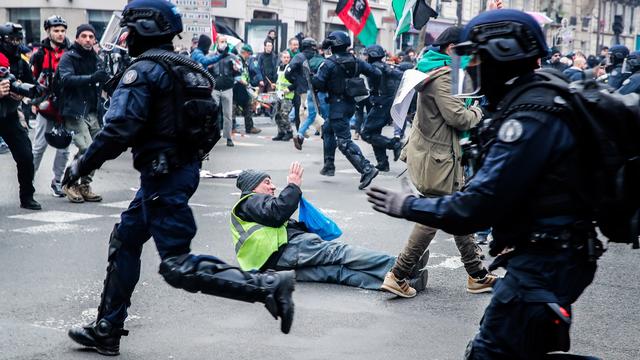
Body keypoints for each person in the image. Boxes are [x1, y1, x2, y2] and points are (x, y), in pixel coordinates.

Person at [367, 9, 603, 358]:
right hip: (549, 256)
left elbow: (476, 207)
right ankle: (474, 273)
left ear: (501, 57)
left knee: (489, 353)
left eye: (476, 58)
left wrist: (406, 205)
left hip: (545, 263)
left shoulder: (526, 118)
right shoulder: (536, 99)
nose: (470, 68)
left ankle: (432, 272)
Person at [66, 1, 295, 356]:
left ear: (144, 30)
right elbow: (210, 129)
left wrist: (81, 165)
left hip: (163, 176)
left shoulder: (144, 71)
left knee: (177, 264)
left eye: (129, 30)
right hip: (177, 171)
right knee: (126, 239)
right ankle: (107, 328)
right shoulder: (189, 69)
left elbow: (118, 129)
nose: (124, 39)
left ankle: (265, 286)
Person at [376, 27, 494, 298]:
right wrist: (480, 110)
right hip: (439, 160)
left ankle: (476, 275)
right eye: (465, 50)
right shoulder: (442, 77)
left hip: (438, 156)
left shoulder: (438, 70)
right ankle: (398, 274)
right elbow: (459, 118)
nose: (468, 56)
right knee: (432, 217)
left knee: (456, 214)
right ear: (452, 49)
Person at [231, 163, 428, 290]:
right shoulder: (250, 201)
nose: (272, 187)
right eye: (267, 182)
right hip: (286, 251)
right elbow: (277, 213)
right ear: (253, 187)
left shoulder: (250, 208)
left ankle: (407, 284)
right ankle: (403, 267)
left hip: (273, 265)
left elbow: (275, 221)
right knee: (341, 252)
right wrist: (293, 186)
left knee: (336, 273)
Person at [312, 31, 381, 190]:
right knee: (328, 129)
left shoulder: (328, 63)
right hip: (350, 103)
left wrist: (313, 77)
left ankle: (366, 168)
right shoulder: (356, 61)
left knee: (343, 141)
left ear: (333, 45)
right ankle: (329, 165)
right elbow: (376, 73)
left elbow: (319, 84)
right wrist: (374, 89)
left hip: (337, 105)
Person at [57, 23, 106, 203]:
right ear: (77, 38)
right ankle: (69, 183)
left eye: (91, 36)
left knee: (99, 149)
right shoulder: (68, 57)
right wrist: (91, 78)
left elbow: (103, 82)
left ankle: (84, 184)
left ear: (94, 40)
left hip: (93, 111)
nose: (87, 39)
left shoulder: (97, 58)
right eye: (84, 36)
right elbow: (66, 79)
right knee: (87, 148)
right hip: (74, 110)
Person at [0, 23, 41, 210]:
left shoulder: (20, 61)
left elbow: (33, 88)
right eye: (11, 40)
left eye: (18, 40)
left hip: (9, 114)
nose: (15, 44)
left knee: (25, 155)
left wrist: (21, 93)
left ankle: (27, 196)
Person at [30, 15, 71, 198]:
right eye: (56, 30)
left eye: (62, 30)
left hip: (66, 107)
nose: (60, 34)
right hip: (46, 106)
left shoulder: (71, 52)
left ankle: (58, 181)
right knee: (39, 147)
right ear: (48, 31)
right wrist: (35, 101)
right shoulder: (39, 54)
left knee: (64, 148)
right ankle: (28, 178)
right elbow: (33, 79)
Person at [360, 44, 403, 172]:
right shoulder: (384, 66)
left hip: (381, 103)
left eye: (367, 54)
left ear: (372, 55)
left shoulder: (375, 67)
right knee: (375, 133)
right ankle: (382, 162)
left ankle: (394, 145)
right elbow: (398, 75)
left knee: (366, 133)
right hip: (384, 102)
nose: (365, 57)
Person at [285, 37, 316, 149]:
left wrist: (294, 82)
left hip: (303, 90)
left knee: (308, 115)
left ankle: (300, 135)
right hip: (314, 89)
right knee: (308, 114)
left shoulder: (299, 57)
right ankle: (300, 135)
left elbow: (287, 73)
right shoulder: (315, 56)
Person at [209, 34, 241, 147]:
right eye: (222, 41)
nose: (224, 44)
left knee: (228, 115)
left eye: (225, 41)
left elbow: (239, 71)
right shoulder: (211, 56)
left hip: (227, 88)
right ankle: (211, 136)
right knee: (212, 114)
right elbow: (204, 70)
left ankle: (228, 137)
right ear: (217, 43)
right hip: (214, 89)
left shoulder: (232, 56)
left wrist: (237, 70)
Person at [234, 44, 262, 135]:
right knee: (233, 107)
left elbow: (245, 74)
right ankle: (232, 128)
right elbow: (237, 75)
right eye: (249, 54)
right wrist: (245, 83)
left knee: (248, 105)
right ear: (245, 53)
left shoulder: (244, 61)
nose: (249, 56)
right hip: (236, 86)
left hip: (244, 86)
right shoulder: (238, 60)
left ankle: (249, 127)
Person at [273, 51, 295, 141]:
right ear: (281, 58)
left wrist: (288, 89)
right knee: (277, 115)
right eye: (284, 57)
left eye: (288, 57)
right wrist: (274, 85)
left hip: (287, 96)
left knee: (284, 115)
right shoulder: (279, 68)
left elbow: (295, 83)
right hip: (279, 95)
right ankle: (281, 132)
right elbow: (278, 81)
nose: (286, 59)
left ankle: (289, 132)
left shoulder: (291, 69)